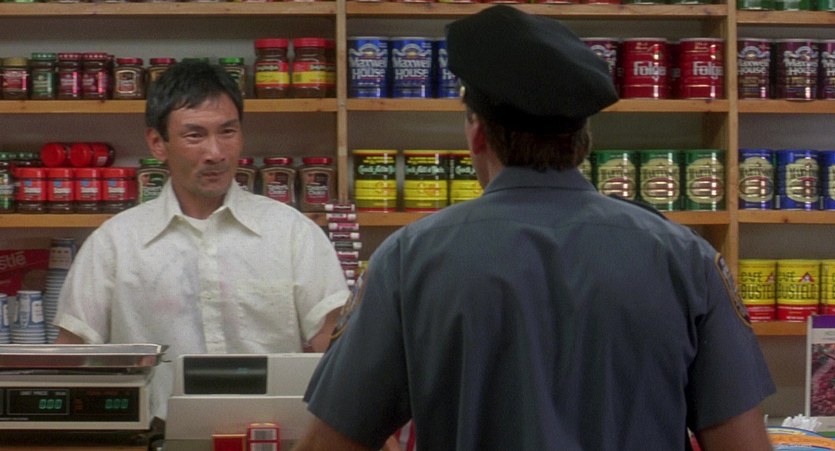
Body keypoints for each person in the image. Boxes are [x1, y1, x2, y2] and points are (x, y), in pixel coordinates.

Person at [295, 6, 775, 451]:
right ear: (583, 141)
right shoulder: (684, 257)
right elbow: (742, 444)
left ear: (477, 134)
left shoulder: (408, 259)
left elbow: (330, 443)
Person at [53, 61, 350, 424]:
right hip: (154, 438)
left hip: (269, 438)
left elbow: (335, 347)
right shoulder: (114, 243)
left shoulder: (292, 233)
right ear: (157, 143)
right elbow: (72, 357)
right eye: (195, 135)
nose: (216, 153)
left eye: (228, 132)